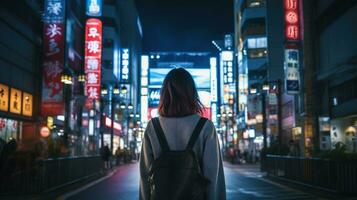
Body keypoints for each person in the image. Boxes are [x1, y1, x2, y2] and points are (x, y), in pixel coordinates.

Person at [139, 68, 226, 200]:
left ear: (164, 95)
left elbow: (145, 175)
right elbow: (213, 178)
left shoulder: (153, 127)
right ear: (192, 94)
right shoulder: (205, 127)